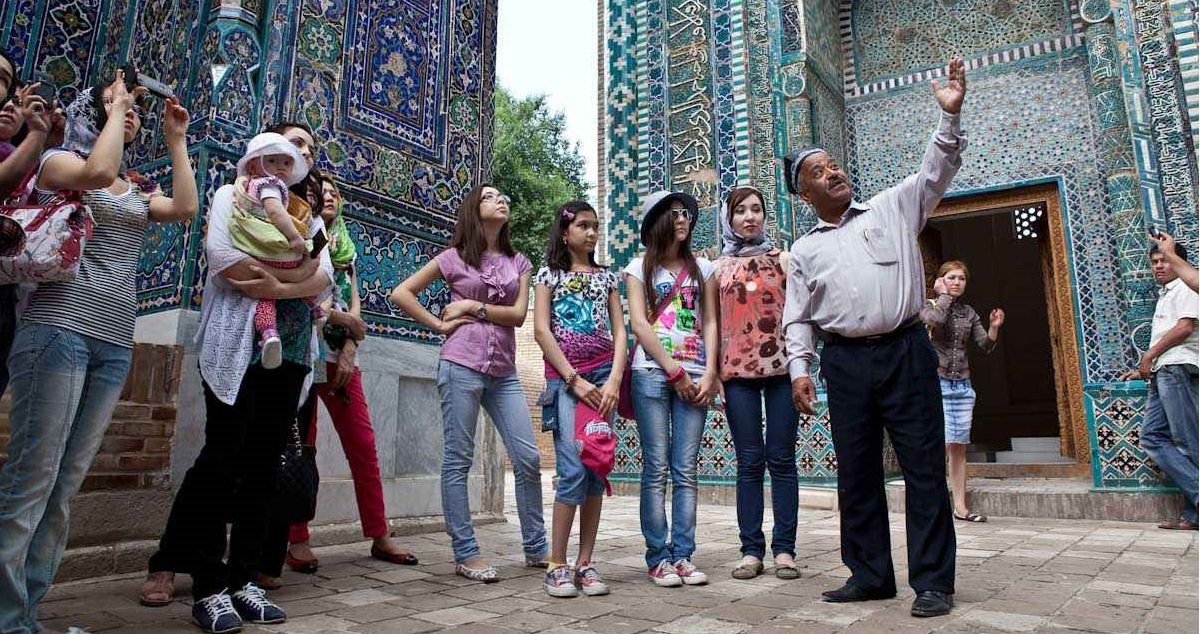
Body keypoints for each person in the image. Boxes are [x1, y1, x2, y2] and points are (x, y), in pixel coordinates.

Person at [0, 71, 197, 634]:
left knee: (64, 485)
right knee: (31, 480)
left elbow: (185, 208)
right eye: (117, 103)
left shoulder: (134, 187)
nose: (129, 111)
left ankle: (27, 614)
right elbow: (97, 171)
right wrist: (113, 105)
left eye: (133, 109)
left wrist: (176, 140)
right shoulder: (57, 162)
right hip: (56, 329)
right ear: (93, 110)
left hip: (112, 341)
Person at [782, 56, 969, 618]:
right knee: (857, 471)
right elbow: (798, 316)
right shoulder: (804, 250)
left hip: (905, 351)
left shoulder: (892, 207)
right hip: (844, 363)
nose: (833, 173)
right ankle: (869, 575)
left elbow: (936, 171)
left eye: (835, 165)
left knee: (923, 468)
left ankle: (933, 582)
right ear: (805, 194)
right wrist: (799, 370)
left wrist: (949, 118)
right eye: (820, 172)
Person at [145, 121, 332, 632]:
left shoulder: (307, 216)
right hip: (237, 346)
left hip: (289, 348)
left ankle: (243, 579)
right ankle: (208, 587)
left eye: (306, 149)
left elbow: (324, 276)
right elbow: (224, 260)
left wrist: (277, 284)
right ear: (264, 153)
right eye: (291, 143)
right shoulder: (233, 195)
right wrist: (291, 276)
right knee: (222, 459)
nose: (299, 153)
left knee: (264, 464)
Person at [262, 174, 418, 580]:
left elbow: (355, 305)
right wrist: (342, 320)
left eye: (334, 194)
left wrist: (350, 345)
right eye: (321, 193)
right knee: (302, 443)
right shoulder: (303, 236)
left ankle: (379, 533)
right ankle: (297, 538)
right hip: (304, 353)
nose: (328, 198)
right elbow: (307, 297)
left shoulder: (345, 248)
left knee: (363, 444)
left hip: (339, 357)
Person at [391, 184, 547, 583]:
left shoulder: (519, 262)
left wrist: (471, 306)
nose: (502, 199)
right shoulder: (452, 258)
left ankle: (536, 548)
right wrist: (440, 324)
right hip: (460, 363)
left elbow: (517, 315)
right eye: (491, 196)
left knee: (527, 457)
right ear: (473, 210)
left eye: (504, 196)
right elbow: (402, 293)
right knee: (458, 459)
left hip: (504, 372)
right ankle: (465, 552)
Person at [623, 190, 719, 587]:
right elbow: (639, 325)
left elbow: (710, 321)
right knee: (656, 467)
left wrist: (710, 372)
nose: (684, 220)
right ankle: (658, 557)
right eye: (675, 214)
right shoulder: (637, 268)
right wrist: (672, 370)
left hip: (696, 374)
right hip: (651, 372)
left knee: (686, 469)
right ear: (658, 221)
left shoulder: (704, 268)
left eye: (686, 214)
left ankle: (683, 555)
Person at [533, 200, 625, 598]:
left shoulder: (607, 278)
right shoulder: (548, 275)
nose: (591, 233)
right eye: (583, 226)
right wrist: (574, 380)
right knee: (572, 469)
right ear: (565, 231)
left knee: (596, 469)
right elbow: (541, 331)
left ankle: (585, 563)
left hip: (604, 379)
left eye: (595, 226)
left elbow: (620, 332)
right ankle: (557, 564)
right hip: (566, 382)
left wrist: (614, 380)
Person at [714, 186, 801, 580]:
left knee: (781, 459)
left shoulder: (784, 260)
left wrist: (802, 367)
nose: (749, 217)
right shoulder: (717, 269)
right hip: (736, 375)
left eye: (756, 209)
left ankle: (785, 550)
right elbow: (710, 323)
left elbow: (799, 315)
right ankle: (751, 550)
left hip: (782, 372)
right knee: (749, 462)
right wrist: (713, 373)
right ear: (728, 218)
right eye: (740, 211)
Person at [1120, 243, 1198, 530]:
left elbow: (1185, 327)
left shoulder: (1187, 286)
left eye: (1164, 261)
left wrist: (1149, 356)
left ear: (1177, 262)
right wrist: (1147, 366)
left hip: (1176, 368)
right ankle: (1195, 511)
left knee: (1187, 441)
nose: (1159, 266)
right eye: (1154, 262)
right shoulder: (1166, 294)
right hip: (1162, 370)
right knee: (1152, 437)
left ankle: (1193, 512)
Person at [920, 260, 1004, 523]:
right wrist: (942, 296)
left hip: (962, 387)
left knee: (958, 447)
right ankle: (932, 507)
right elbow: (934, 320)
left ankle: (960, 507)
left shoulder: (969, 313)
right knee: (939, 445)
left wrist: (994, 327)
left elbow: (984, 345)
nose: (956, 282)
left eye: (961, 278)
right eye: (951, 277)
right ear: (940, 280)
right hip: (937, 385)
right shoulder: (928, 306)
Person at [227, 132, 316, 369]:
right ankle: (311, 303)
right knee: (307, 265)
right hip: (276, 254)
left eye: (287, 162)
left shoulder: (248, 187)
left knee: (266, 299)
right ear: (254, 165)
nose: (281, 167)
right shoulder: (269, 185)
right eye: (273, 161)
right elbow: (275, 212)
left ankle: (268, 332)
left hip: (261, 258)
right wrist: (295, 238)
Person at [0, 57, 55, 397]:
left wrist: (48, 139)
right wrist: (38, 135)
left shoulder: (20, 155)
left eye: (15, 99)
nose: (9, 106)